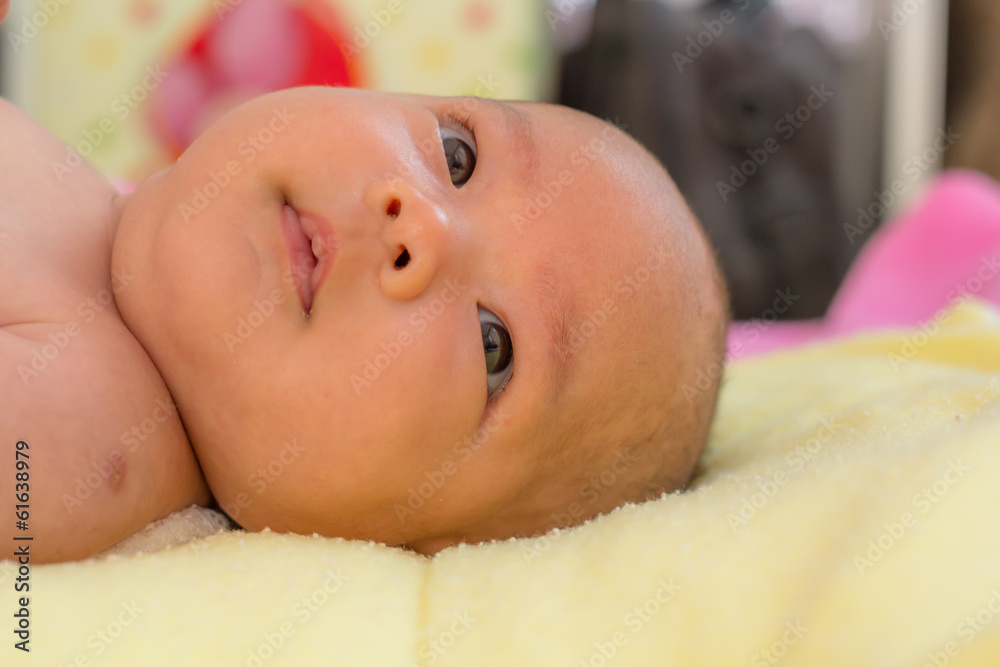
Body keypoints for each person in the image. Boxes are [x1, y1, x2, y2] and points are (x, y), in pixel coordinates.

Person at [1, 8, 728, 563]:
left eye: (494, 346)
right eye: (459, 156)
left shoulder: (94, 443)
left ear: (425, 545)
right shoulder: (84, 201)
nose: (424, 227)